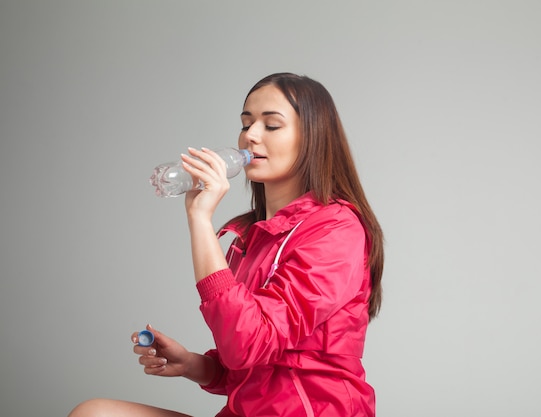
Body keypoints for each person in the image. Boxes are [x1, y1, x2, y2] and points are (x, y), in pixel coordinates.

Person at [68, 72, 384, 417]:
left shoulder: (336, 229)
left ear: (313, 138)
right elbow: (249, 362)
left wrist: (200, 220)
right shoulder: (253, 235)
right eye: (246, 124)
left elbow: (249, 345)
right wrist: (192, 364)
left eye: (271, 125)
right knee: (94, 412)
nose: (250, 136)